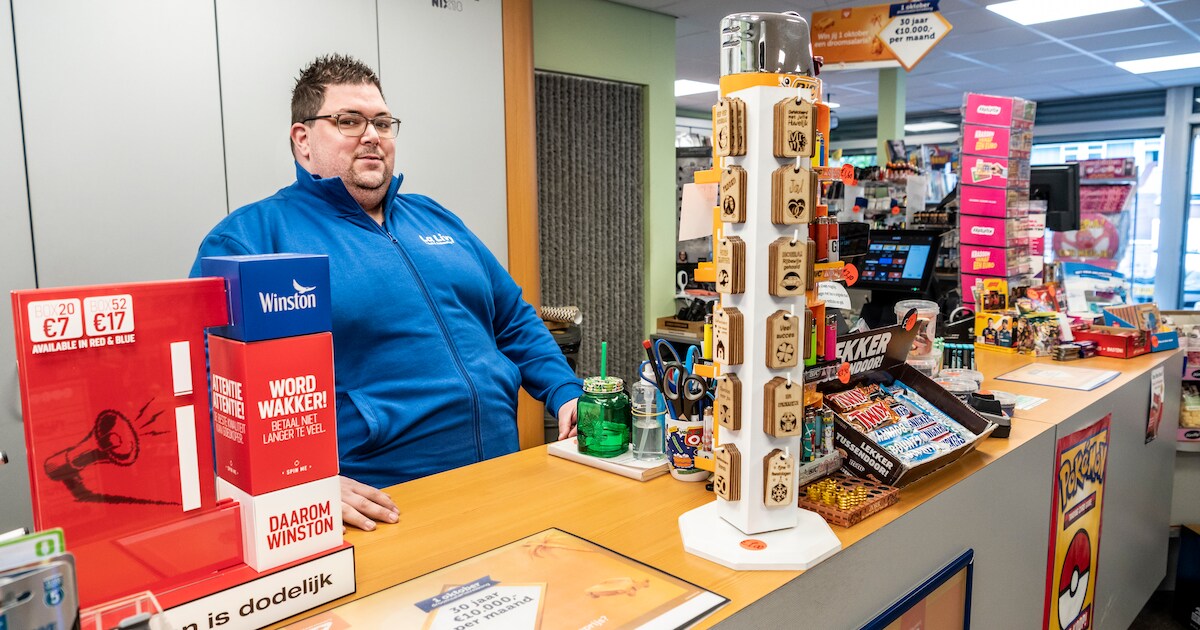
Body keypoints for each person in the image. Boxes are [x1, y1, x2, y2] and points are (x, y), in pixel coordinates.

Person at [190, 54, 583, 531]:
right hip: (385, 510)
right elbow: (208, 388)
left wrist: (565, 392)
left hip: (502, 479)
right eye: (349, 121)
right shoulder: (252, 239)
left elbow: (513, 319)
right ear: (303, 140)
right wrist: (294, 484)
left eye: (381, 122)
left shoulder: (434, 217)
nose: (372, 135)